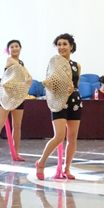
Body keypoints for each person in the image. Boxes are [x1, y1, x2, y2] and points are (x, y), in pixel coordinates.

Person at [35, 34, 82, 180]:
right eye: (59, 44)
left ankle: (67, 169)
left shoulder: (77, 66)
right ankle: (41, 163)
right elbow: (50, 86)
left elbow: (76, 85)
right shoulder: (54, 65)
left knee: (72, 138)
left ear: (71, 47)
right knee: (59, 136)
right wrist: (60, 90)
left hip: (74, 102)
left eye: (64, 44)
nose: (61, 47)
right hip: (58, 102)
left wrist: (71, 89)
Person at [0, 40, 32, 162]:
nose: (14, 49)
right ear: (9, 50)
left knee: (17, 126)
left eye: (16, 46)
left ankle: (16, 152)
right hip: (7, 95)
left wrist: (26, 87)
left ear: (20, 48)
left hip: (18, 96)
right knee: (0, 122)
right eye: (12, 47)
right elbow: (25, 73)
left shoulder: (21, 62)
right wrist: (28, 76)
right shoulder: (9, 60)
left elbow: (29, 79)